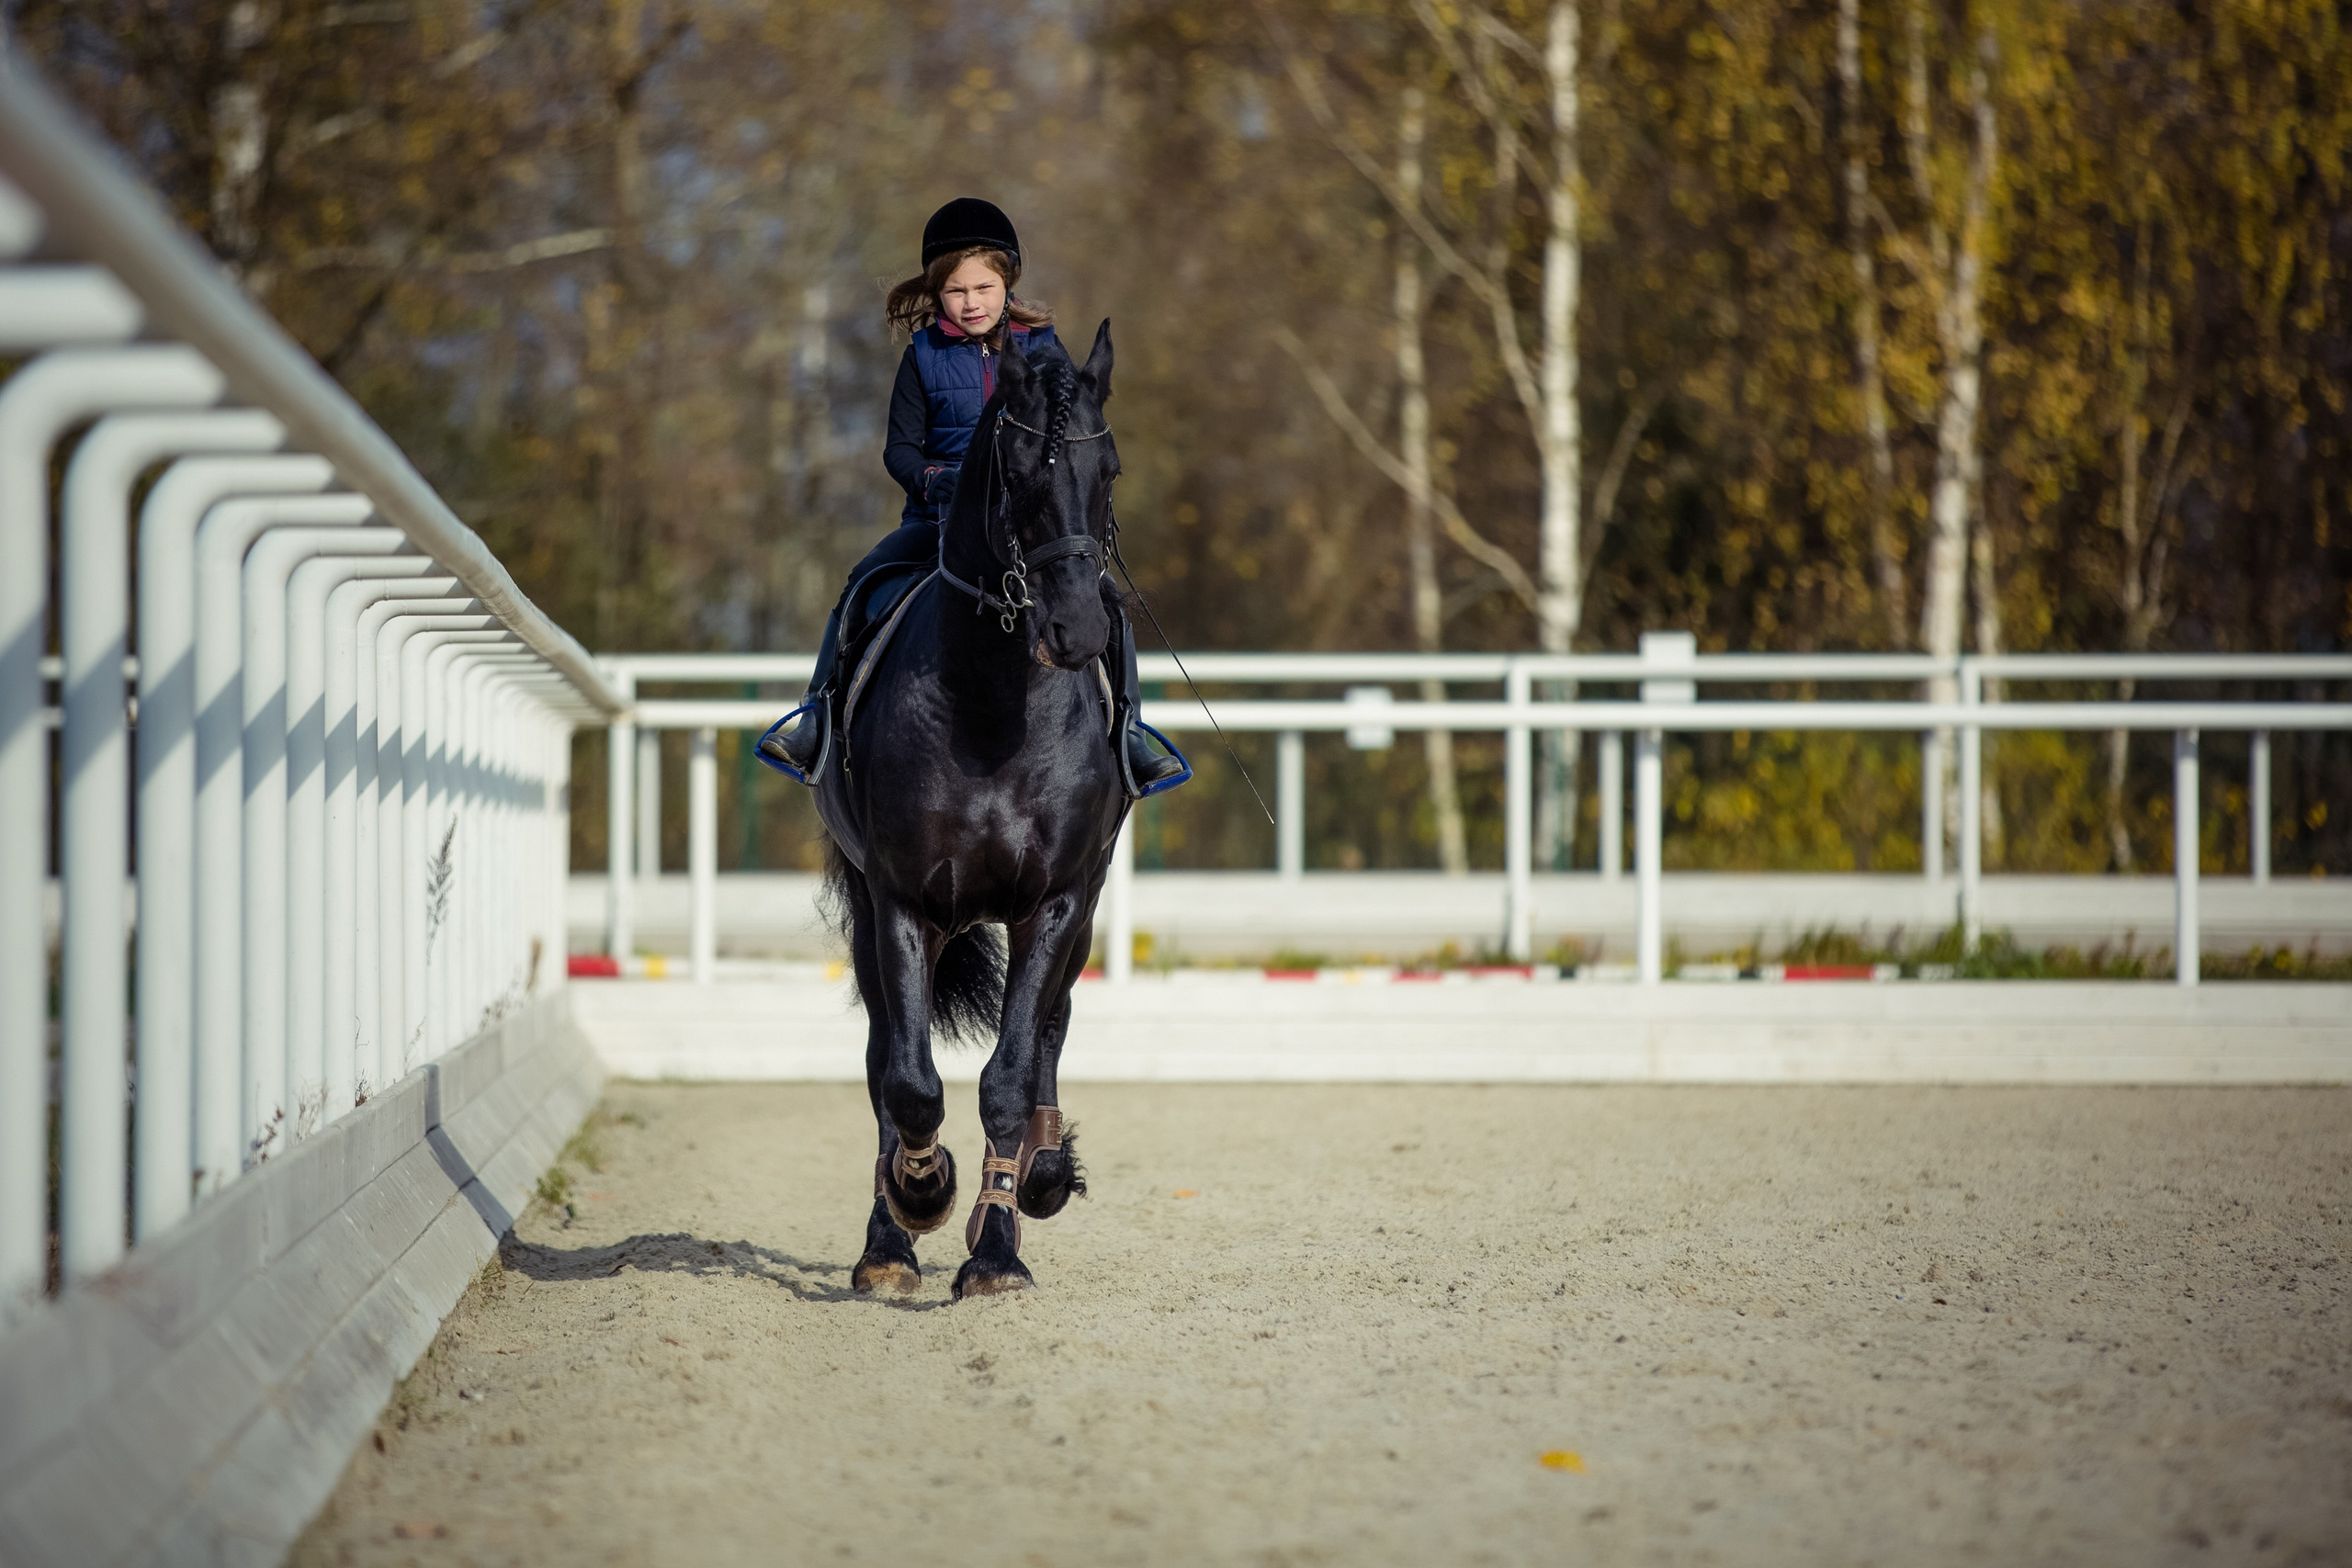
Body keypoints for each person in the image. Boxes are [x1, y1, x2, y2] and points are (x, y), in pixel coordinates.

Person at [763, 197, 1182, 792]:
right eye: (957, 291)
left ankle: (1132, 731)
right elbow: (899, 451)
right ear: (937, 294)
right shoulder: (922, 357)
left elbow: (1071, 433)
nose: (971, 302)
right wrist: (937, 481)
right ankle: (815, 716)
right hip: (940, 521)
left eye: (983, 287)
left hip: (1028, 525)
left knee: (1104, 596)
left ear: (1007, 284)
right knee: (862, 583)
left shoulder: (1043, 349)